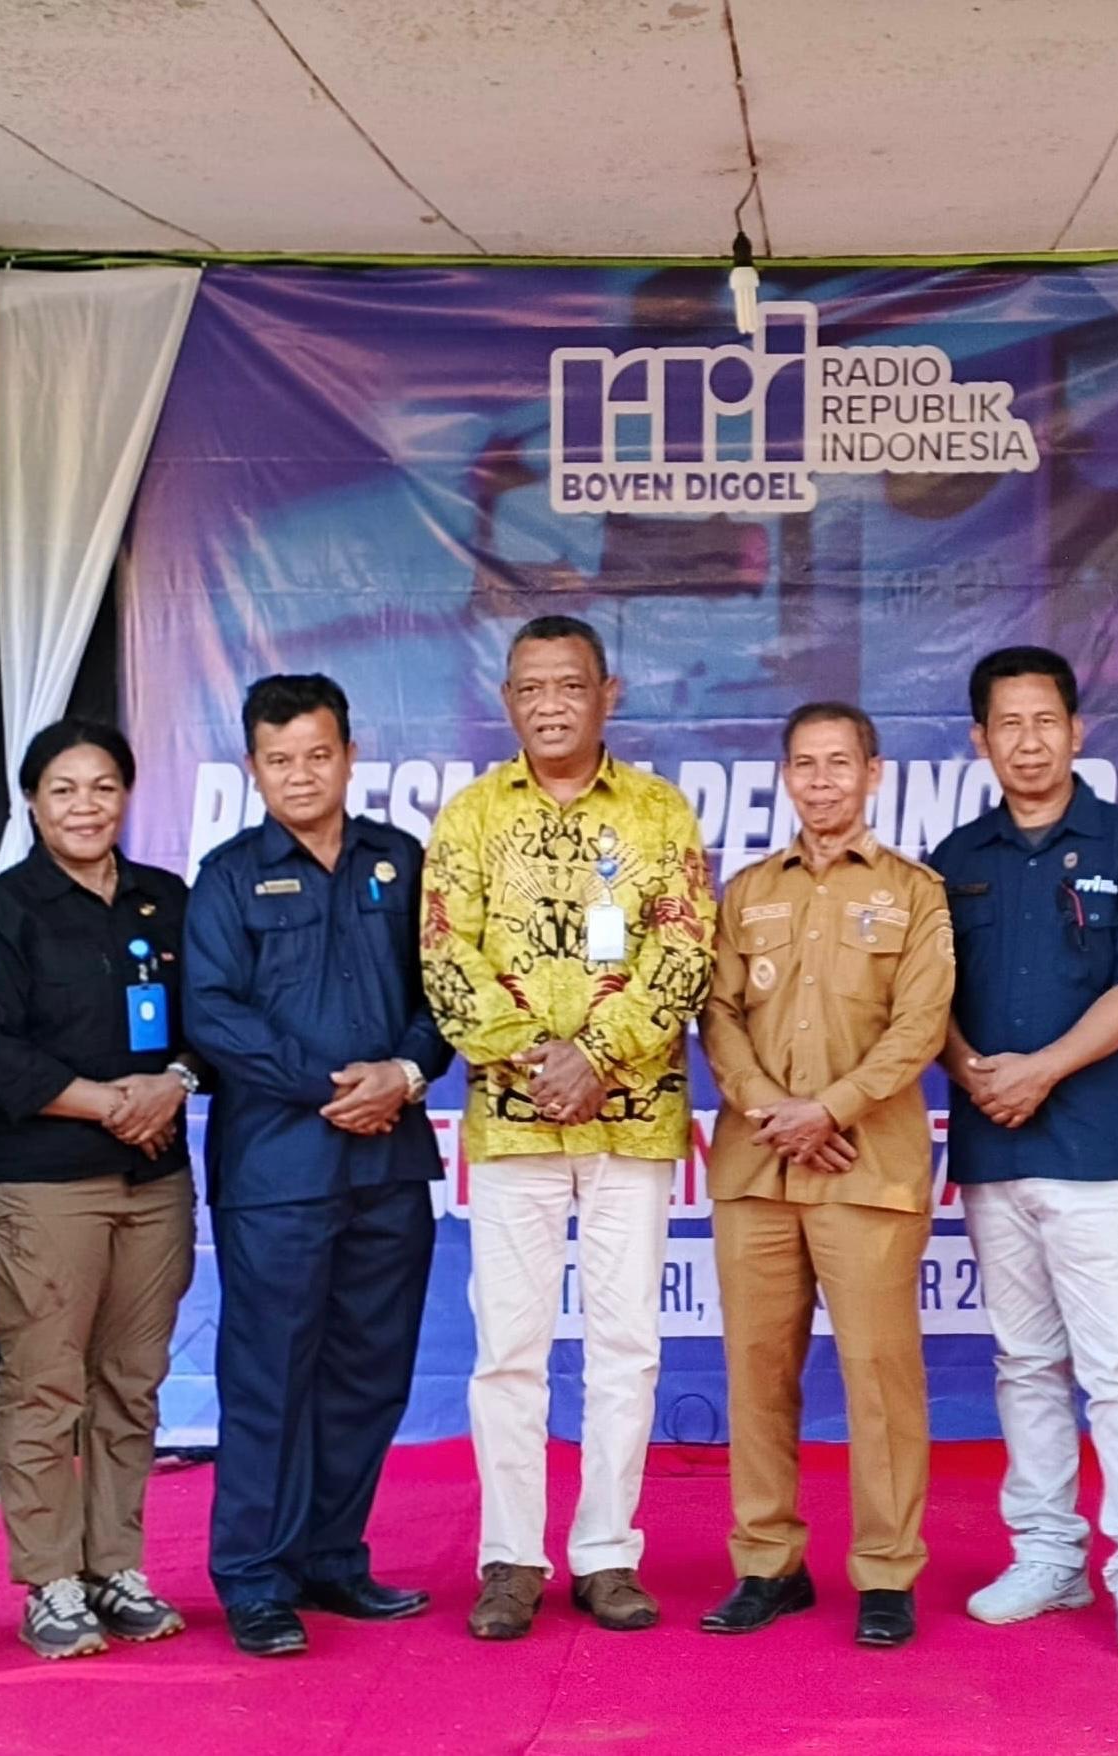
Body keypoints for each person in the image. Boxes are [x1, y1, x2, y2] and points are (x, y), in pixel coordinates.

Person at [423, 614, 714, 1641]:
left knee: (626, 1346)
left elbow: (685, 953)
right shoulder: (470, 817)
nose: (551, 705)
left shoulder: (658, 812)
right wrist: (535, 1062)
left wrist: (599, 1056)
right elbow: (446, 960)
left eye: (570, 685)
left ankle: (607, 1553)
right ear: (508, 700)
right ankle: (510, 1556)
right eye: (532, 688)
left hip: (632, 1120)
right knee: (509, 1348)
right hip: (513, 1122)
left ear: (607, 694)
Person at [184, 674, 451, 1660]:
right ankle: (256, 1578)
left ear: (349, 755)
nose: (301, 775)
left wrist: (405, 1072)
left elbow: (447, 990)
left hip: (389, 1164)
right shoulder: (226, 877)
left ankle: (333, 1556)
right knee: (269, 1377)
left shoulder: (400, 860)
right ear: (253, 768)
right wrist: (333, 1084)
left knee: (369, 1374)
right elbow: (212, 1012)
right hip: (279, 1171)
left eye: (317, 754)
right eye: (279, 759)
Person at [932, 646, 1118, 1664]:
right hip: (996, 1149)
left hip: (1102, 1154)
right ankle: (1048, 1555)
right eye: (1009, 723)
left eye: (1047, 721)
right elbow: (926, 996)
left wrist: (1040, 1069)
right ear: (980, 739)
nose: (1029, 741)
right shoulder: (956, 857)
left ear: (1078, 732)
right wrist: (971, 1069)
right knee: (1027, 1364)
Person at [0, 719, 202, 1660]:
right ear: (33, 802)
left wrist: (174, 1081)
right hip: (41, 1188)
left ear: (127, 795)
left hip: (152, 1182)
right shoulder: (1, 910)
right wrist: (109, 1103)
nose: (85, 806)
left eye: (102, 787)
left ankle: (115, 1567)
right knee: (47, 1387)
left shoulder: (165, 900)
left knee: (130, 1386)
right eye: (63, 789)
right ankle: (50, 1581)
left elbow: (210, 1019)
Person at [698, 702, 953, 1650]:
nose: (822, 781)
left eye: (839, 763)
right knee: (757, 1372)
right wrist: (776, 1110)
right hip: (757, 1164)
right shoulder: (746, 892)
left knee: (880, 1378)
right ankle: (768, 1563)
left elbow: (920, 1025)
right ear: (786, 776)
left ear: (874, 774)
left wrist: (831, 1109)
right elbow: (718, 1015)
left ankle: (886, 1571)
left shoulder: (915, 894)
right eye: (804, 764)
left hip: (867, 1167)